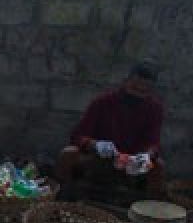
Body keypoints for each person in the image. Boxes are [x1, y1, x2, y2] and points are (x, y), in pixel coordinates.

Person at [55, 62, 165, 196]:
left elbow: (153, 142)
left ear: (150, 91)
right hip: (99, 158)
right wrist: (95, 145)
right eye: (134, 87)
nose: (137, 93)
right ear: (125, 82)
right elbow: (77, 135)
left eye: (143, 91)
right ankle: (62, 197)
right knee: (68, 153)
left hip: (132, 163)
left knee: (158, 166)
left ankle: (147, 209)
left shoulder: (155, 109)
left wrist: (147, 155)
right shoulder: (102, 102)